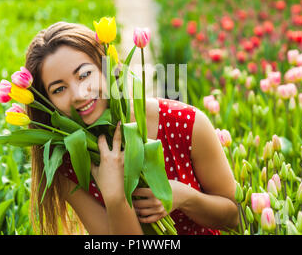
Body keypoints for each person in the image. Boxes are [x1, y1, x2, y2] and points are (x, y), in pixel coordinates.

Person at [25, 21, 238, 235]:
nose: (79, 94)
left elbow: (235, 216)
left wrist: (183, 196)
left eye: (84, 75)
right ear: (48, 102)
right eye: (59, 89)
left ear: (105, 66)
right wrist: (116, 197)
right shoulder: (66, 161)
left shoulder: (184, 123)